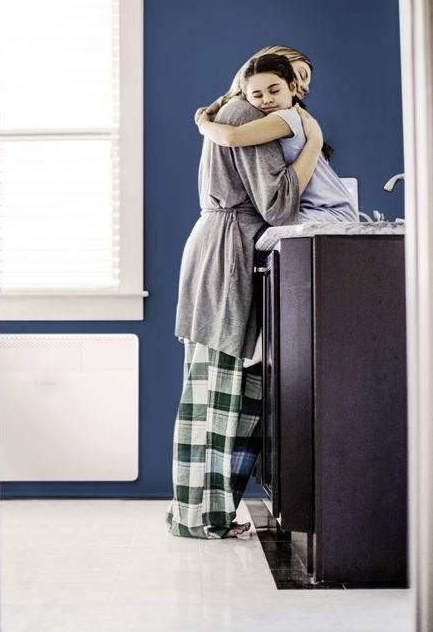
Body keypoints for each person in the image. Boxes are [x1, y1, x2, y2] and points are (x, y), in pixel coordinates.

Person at [165, 47, 326, 540]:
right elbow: (278, 205)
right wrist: (314, 143)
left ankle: (198, 513)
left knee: (216, 388)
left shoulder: (236, 113)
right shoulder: (248, 117)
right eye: (293, 77)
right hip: (227, 253)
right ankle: (202, 518)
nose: (299, 89)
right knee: (223, 390)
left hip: (217, 247)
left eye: (301, 81)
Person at [196, 53, 358, 223]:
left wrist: (203, 124)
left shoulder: (285, 118)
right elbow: (233, 96)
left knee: (267, 228)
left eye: (274, 91)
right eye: (257, 95)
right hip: (317, 210)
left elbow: (232, 137)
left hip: (332, 212)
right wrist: (214, 107)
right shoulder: (279, 117)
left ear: (292, 87)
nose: (267, 100)